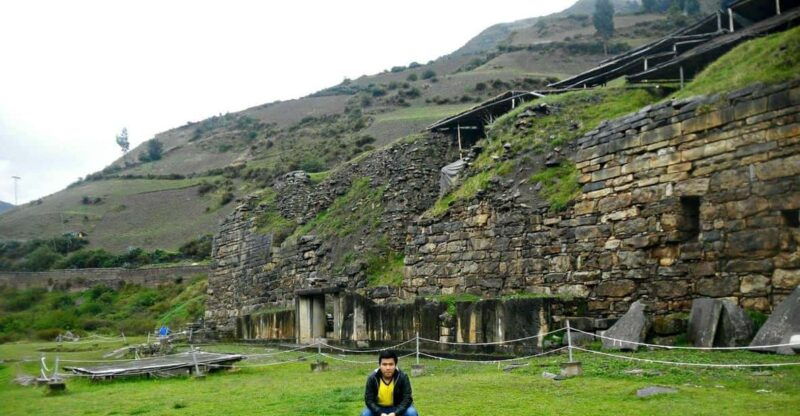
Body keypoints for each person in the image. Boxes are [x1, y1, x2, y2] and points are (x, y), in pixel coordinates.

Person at [360, 350, 418, 416]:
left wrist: (395, 413)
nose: (388, 368)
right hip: (378, 408)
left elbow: (407, 398)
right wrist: (380, 413)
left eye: (391, 364)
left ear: (395, 365)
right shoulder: (372, 378)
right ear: (379, 365)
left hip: (397, 408)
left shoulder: (403, 376)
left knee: (411, 413)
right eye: (384, 364)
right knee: (365, 414)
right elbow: (369, 400)